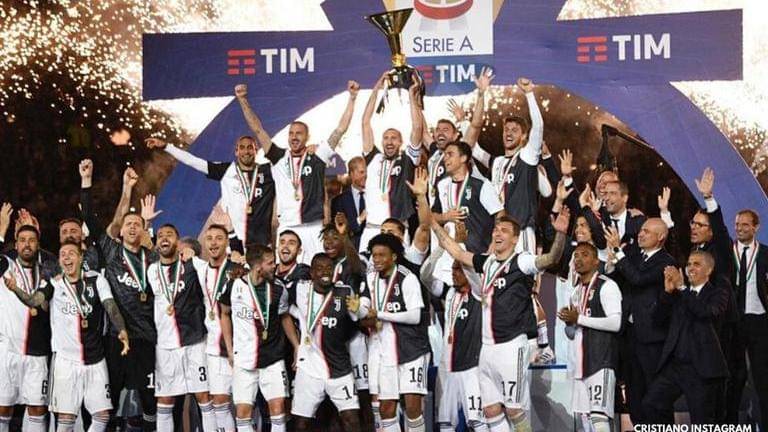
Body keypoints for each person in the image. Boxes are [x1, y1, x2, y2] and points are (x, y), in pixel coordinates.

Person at [431, 209, 570, 432]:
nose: (497, 233)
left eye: (504, 231)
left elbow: (550, 259)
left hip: (511, 346)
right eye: (496, 229)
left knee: (514, 411)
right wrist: (432, 221)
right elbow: (456, 251)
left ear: (515, 239)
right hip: (487, 349)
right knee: (491, 411)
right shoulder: (487, 262)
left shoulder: (522, 261)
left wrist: (561, 234)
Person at [6, 241, 129, 432]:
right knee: (66, 419)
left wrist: (122, 329)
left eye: (71, 253)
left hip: (95, 359)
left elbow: (110, 306)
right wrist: (16, 289)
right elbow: (34, 300)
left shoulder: (96, 280)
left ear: (81, 257)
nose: (66, 257)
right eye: (62, 254)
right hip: (66, 361)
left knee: (102, 416)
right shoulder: (54, 284)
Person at [238, 81, 359, 262]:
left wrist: (352, 98)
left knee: (316, 270)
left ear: (307, 136)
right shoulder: (278, 157)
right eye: (291, 133)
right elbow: (258, 129)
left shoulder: (317, 156)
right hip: (287, 227)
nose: (294, 137)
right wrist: (242, 100)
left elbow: (340, 130)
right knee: (285, 272)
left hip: (313, 227)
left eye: (299, 133)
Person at [79, 161, 159, 431]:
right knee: (110, 399)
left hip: (147, 337)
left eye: (138, 224)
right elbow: (89, 217)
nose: (133, 227)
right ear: (121, 231)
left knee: (150, 401)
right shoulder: (111, 251)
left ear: (144, 230)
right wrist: (87, 181)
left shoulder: (153, 259)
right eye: (128, 224)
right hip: (115, 338)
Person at [145, 133, 273, 254]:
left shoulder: (269, 172)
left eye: (250, 147)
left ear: (256, 150)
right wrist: (167, 147)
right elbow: (193, 161)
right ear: (236, 151)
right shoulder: (226, 170)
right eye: (242, 148)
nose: (246, 151)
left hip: (262, 243)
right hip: (233, 240)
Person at [642, 251, 729, 425]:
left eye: (696, 264)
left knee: (702, 422)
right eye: (688, 264)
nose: (690, 268)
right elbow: (657, 320)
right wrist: (667, 293)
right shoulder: (678, 294)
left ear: (709, 270)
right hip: (675, 367)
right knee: (651, 404)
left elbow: (705, 313)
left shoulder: (718, 293)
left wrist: (682, 288)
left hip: (702, 369)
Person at [604, 217, 677, 425]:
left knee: (656, 398)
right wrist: (612, 264)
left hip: (653, 339)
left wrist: (618, 252)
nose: (641, 234)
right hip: (630, 335)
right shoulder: (634, 256)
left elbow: (638, 279)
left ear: (660, 237)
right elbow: (621, 278)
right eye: (641, 231)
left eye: (647, 231)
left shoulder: (666, 261)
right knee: (634, 397)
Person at [147, 224, 216, 432]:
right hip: (165, 345)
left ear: (178, 242)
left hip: (194, 341)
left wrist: (193, 256)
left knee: (204, 396)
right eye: (160, 235)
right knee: (165, 400)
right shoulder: (152, 271)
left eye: (169, 235)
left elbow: (213, 271)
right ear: (157, 244)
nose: (164, 238)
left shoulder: (193, 265)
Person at [360, 233, 431, 432]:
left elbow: (415, 316)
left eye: (382, 255)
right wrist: (357, 309)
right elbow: (364, 307)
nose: (377, 260)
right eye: (374, 255)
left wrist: (380, 314)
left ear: (393, 256)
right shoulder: (370, 279)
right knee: (386, 408)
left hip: (412, 350)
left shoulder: (407, 278)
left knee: (412, 407)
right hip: (386, 353)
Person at [288, 253, 366, 431]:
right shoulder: (299, 289)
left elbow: (358, 318)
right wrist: (295, 345)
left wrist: (361, 311)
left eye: (329, 268)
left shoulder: (344, 292)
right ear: (311, 273)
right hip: (309, 368)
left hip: (339, 367)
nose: (325, 272)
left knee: (352, 419)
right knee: (301, 424)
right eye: (320, 268)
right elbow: (281, 305)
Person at [219, 245, 290, 432]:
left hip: (272, 358)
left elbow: (284, 316)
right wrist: (230, 349)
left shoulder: (278, 288)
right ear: (258, 267)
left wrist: (297, 346)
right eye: (270, 263)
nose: (275, 266)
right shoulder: (233, 286)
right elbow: (224, 314)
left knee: (278, 408)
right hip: (244, 359)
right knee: (243, 412)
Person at [471, 77, 543, 253]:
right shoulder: (497, 162)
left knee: (522, 271)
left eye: (514, 130)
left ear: (524, 136)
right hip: (499, 233)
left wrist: (529, 94)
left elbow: (539, 126)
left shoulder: (527, 157)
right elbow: (473, 149)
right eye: (506, 130)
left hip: (521, 232)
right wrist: (480, 94)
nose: (509, 133)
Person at [421, 237, 486, 432]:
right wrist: (439, 249)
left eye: (458, 269)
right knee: (445, 424)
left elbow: (474, 275)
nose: (453, 272)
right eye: (453, 268)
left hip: (472, 367)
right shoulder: (449, 292)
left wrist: (461, 251)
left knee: (477, 422)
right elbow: (425, 276)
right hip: (447, 367)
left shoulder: (479, 294)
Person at [557, 243, 622, 432]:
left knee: (599, 417)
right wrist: (569, 323)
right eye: (576, 255)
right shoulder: (576, 292)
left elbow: (615, 323)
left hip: (601, 362)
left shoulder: (607, 286)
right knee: (585, 420)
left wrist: (579, 318)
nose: (578, 259)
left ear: (596, 261)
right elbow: (572, 334)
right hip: (580, 366)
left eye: (584, 255)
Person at [358, 72, 423, 252]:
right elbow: (365, 122)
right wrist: (377, 89)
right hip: (372, 229)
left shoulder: (407, 160)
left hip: (397, 230)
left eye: (394, 138)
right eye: (386, 138)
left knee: (398, 269)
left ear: (401, 142)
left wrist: (412, 96)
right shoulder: (373, 157)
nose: (389, 141)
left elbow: (417, 128)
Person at [189, 224, 244, 432]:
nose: (213, 242)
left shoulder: (238, 270)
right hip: (213, 347)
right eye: (209, 238)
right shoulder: (201, 268)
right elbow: (178, 252)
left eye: (219, 238)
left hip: (239, 347)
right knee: (219, 402)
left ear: (226, 242)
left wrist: (238, 250)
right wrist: (187, 252)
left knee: (244, 406)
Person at [0, 226, 50, 432]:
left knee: (37, 409)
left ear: (38, 244)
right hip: (8, 351)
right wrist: (1, 231)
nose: (27, 244)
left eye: (31, 240)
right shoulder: (6, 266)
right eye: (22, 240)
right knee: (3, 408)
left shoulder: (47, 270)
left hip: (37, 353)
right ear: (16, 244)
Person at [729, 208, 768, 430]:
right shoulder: (728, 251)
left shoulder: (765, 253)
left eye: (745, 224)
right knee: (735, 377)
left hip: (759, 320)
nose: (740, 228)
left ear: (756, 227)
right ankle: (731, 425)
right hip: (734, 322)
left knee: (762, 376)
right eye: (737, 224)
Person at [431, 141, 503, 254]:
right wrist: (445, 217)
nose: (445, 158)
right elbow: (431, 217)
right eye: (444, 155)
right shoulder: (442, 186)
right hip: (450, 251)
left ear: (463, 158)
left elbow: (500, 213)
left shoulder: (481, 185)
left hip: (477, 251)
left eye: (450, 154)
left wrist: (495, 241)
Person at [331, 156, 368, 251]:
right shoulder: (339, 201)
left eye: (366, 172)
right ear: (351, 174)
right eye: (361, 172)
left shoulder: (375, 197)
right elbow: (341, 229)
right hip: (350, 250)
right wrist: (359, 220)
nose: (365, 175)